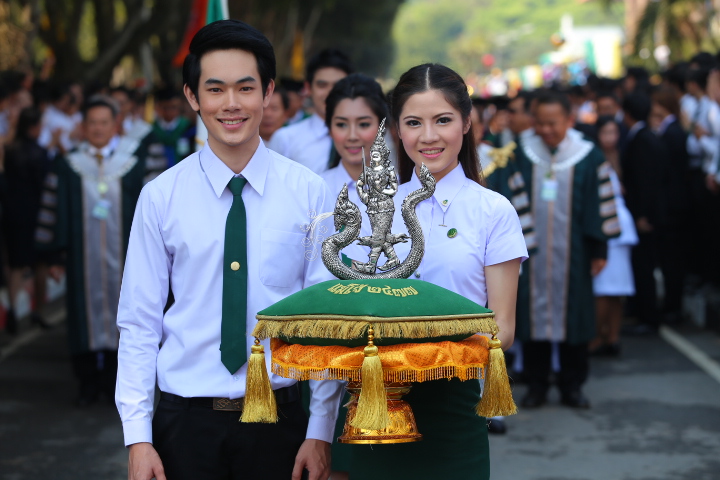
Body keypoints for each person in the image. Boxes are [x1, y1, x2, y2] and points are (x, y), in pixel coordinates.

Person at [115, 20, 343, 480]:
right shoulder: (161, 196)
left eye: (246, 87)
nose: (232, 103)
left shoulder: (309, 192)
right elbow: (139, 322)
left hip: (280, 423)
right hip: (185, 425)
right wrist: (138, 437)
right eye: (215, 89)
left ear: (268, 92)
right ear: (193, 97)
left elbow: (325, 321)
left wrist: (320, 430)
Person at [348, 63, 527, 480]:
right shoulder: (374, 207)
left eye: (442, 120)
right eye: (414, 123)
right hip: (374, 403)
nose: (428, 136)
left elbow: (502, 328)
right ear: (397, 130)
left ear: (467, 122)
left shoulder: (492, 211)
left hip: (454, 400)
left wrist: (423, 352)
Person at [35, 95, 148, 406]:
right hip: (80, 259)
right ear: (83, 127)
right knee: (82, 318)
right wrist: (54, 256)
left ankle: (114, 383)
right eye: (92, 123)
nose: (98, 129)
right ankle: (86, 383)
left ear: (115, 125)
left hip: (127, 260)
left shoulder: (133, 164)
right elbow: (52, 211)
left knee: (125, 318)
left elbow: (154, 214)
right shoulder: (68, 165)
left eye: (104, 123)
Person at [505, 92, 615, 409]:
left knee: (575, 316)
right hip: (530, 252)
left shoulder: (588, 155)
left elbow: (599, 205)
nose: (545, 130)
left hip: (575, 253)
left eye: (552, 123)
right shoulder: (521, 152)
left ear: (570, 120)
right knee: (531, 316)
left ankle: (572, 385)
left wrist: (600, 249)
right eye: (539, 123)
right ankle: (536, 384)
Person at [2, 107, 53, 334]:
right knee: (40, 263)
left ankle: (13, 308)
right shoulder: (40, 153)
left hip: (12, 214)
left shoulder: (9, 150)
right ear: (34, 127)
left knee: (15, 265)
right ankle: (38, 311)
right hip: (37, 215)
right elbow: (46, 186)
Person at [590, 116, 638, 355]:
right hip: (606, 224)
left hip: (619, 226)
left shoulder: (622, 154)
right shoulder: (595, 157)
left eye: (614, 132)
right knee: (604, 287)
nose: (610, 138)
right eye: (605, 132)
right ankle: (599, 337)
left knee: (615, 287)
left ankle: (611, 337)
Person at [621, 92, 668, 335]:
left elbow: (645, 182)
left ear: (627, 113)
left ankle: (649, 317)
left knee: (644, 266)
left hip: (645, 216)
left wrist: (642, 216)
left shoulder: (641, 140)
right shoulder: (647, 136)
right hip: (647, 213)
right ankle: (643, 313)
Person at [269, 49, 354, 174]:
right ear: (308, 88)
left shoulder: (368, 140)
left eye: (338, 85)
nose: (330, 93)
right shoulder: (285, 139)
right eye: (322, 85)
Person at [650, 87, 690, 323]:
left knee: (672, 259)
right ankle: (671, 305)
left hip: (673, 204)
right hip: (673, 202)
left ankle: (673, 307)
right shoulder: (671, 129)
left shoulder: (672, 131)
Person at [151, 86, 194, 167]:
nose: (170, 112)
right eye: (165, 108)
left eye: (174, 107)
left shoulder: (189, 128)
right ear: (158, 107)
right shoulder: (151, 131)